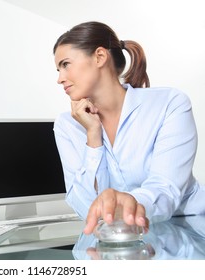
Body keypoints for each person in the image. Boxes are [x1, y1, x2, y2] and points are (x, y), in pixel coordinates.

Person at [52, 21, 205, 235]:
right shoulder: (67, 125)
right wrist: (93, 138)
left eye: (65, 64)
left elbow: (166, 189)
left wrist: (128, 202)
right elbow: (84, 207)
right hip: (123, 240)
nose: (59, 78)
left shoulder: (170, 103)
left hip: (190, 231)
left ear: (99, 57)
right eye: (58, 69)